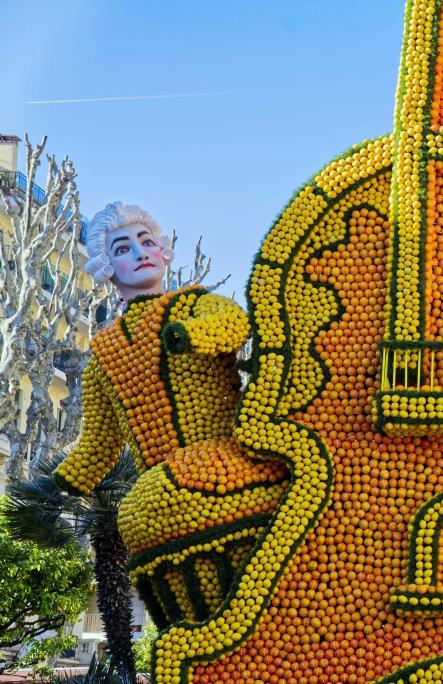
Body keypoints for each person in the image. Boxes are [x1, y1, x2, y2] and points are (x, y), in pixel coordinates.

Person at [55, 202, 287, 627]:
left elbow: (233, 322)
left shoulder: (193, 304)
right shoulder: (104, 355)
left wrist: (191, 334)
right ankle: (191, 627)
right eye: (123, 248)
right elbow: (99, 441)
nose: (139, 252)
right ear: (107, 268)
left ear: (163, 251)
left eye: (146, 242)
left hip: (226, 461)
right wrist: (65, 481)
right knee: (137, 513)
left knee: (153, 501)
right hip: (161, 485)